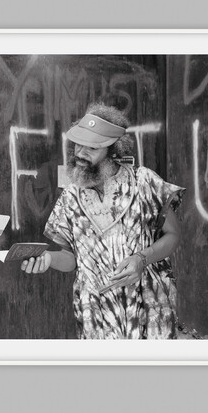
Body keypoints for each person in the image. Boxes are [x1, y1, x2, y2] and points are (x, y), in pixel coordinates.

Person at [22, 104, 184, 338]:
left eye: (92, 148)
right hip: (96, 313)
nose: (80, 153)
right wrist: (48, 259)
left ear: (113, 149)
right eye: (78, 144)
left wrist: (141, 259)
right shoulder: (70, 196)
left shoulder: (143, 181)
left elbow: (173, 235)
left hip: (149, 307)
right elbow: (72, 259)